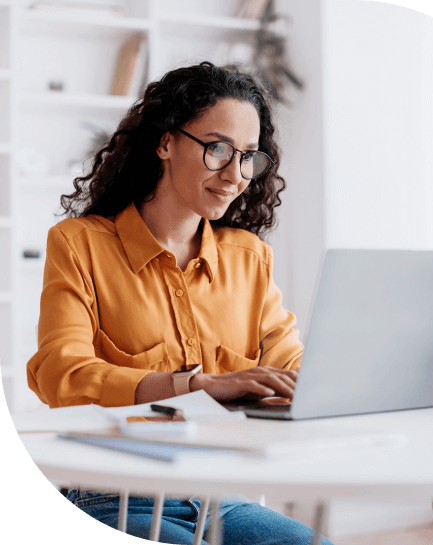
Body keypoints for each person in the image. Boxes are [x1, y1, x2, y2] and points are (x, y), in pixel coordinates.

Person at [26, 61, 335, 545]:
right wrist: (196, 386)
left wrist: (334, 381)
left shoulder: (249, 258)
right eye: (218, 149)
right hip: (112, 496)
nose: (236, 175)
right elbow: (60, 374)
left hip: (225, 495)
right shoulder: (79, 243)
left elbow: (289, 366)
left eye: (249, 156)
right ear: (165, 142)